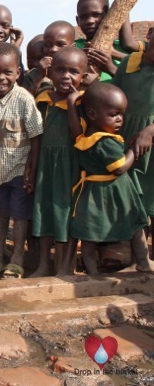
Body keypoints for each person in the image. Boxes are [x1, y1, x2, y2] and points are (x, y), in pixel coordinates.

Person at [66, 83, 152, 274]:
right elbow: (120, 167)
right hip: (116, 191)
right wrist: (133, 151)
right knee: (135, 224)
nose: (120, 119)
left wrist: (72, 104)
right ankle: (143, 262)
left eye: (121, 114)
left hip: (91, 193)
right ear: (92, 114)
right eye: (114, 114)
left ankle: (93, 272)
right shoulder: (106, 141)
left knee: (88, 234)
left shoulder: (85, 135)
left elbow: (74, 129)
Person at [0, 43, 43, 278]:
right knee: (1, 213)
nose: (1, 77)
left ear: (18, 73)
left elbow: (36, 136)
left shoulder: (24, 100)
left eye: (8, 72)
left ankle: (17, 258)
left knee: (19, 215)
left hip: (19, 169)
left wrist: (31, 170)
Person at [30, 47, 88, 277]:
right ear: (50, 73)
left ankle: (64, 266)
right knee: (43, 211)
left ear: (83, 77)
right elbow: (36, 136)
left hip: (70, 168)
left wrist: (73, 103)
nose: (66, 76)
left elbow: (77, 135)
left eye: (73, 72)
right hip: (46, 165)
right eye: (60, 70)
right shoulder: (42, 100)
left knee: (65, 214)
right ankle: (44, 264)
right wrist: (32, 168)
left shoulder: (83, 103)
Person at [112, 29, 154, 237]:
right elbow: (114, 96)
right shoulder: (129, 63)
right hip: (128, 142)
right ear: (150, 34)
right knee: (132, 201)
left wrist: (151, 130)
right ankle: (139, 261)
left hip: (150, 145)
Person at [74, 0, 141, 81]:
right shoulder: (74, 47)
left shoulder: (122, 49)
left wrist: (111, 67)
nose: (89, 21)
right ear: (77, 21)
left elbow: (138, 83)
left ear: (108, 15)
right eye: (83, 17)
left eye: (96, 15)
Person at [23, 21, 76, 96]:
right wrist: (40, 76)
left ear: (72, 47)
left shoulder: (75, 73)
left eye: (60, 44)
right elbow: (25, 101)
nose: (53, 49)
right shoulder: (32, 75)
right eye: (47, 45)